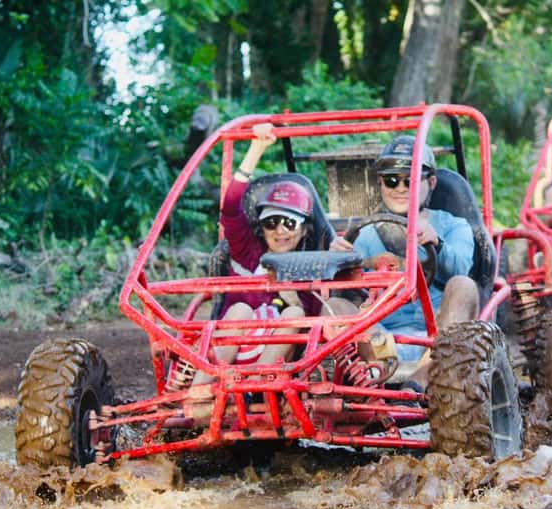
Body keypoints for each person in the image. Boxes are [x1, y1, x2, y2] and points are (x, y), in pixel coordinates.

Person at [330, 135, 479, 395]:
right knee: (334, 306)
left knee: (464, 286)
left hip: (440, 333)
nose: (400, 188)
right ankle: (375, 376)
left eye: (410, 180)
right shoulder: (364, 234)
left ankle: (420, 380)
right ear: (380, 184)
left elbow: (461, 269)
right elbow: (348, 292)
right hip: (381, 339)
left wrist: (438, 244)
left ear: (431, 183)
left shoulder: (453, 225)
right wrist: (337, 263)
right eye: (391, 180)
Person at [189, 123, 323, 392]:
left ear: (305, 229)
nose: (280, 231)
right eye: (271, 222)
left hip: (279, 365)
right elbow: (230, 207)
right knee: (240, 310)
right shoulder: (247, 252)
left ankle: (253, 390)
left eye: (289, 223)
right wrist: (256, 148)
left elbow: (315, 333)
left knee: (295, 313)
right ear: (262, 227)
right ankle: (199, 392)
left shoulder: (312, 266)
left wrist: (293, 297)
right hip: (232, 353)